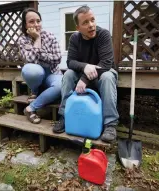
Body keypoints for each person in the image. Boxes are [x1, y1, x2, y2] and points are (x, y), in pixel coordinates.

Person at [53, 6, 119, 143]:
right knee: (68, 74)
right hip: (84, 73)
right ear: (78, 28)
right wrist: (85, 67)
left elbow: (106, 63)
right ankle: (65, 116)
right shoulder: (74, 39)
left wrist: (84, 79)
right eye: (85, 23)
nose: (91, 25)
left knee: (108, 77)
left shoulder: (103, 35)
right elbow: (70, 62)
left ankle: (110, 124)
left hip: (103, 73)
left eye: (92, 20)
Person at [17, 8, 62, 124]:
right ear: (25, 25)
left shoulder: (50, 36)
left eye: (38, 21)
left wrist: (40, 54)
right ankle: (35, 91)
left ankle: (30, 108)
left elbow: (57, 59)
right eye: (32, 21)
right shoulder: (22, 40)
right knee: (31, 70)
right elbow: (30, 60)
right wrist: (37, 39)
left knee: (61, 85)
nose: (36, 24)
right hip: (37, 75)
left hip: (52, 72)